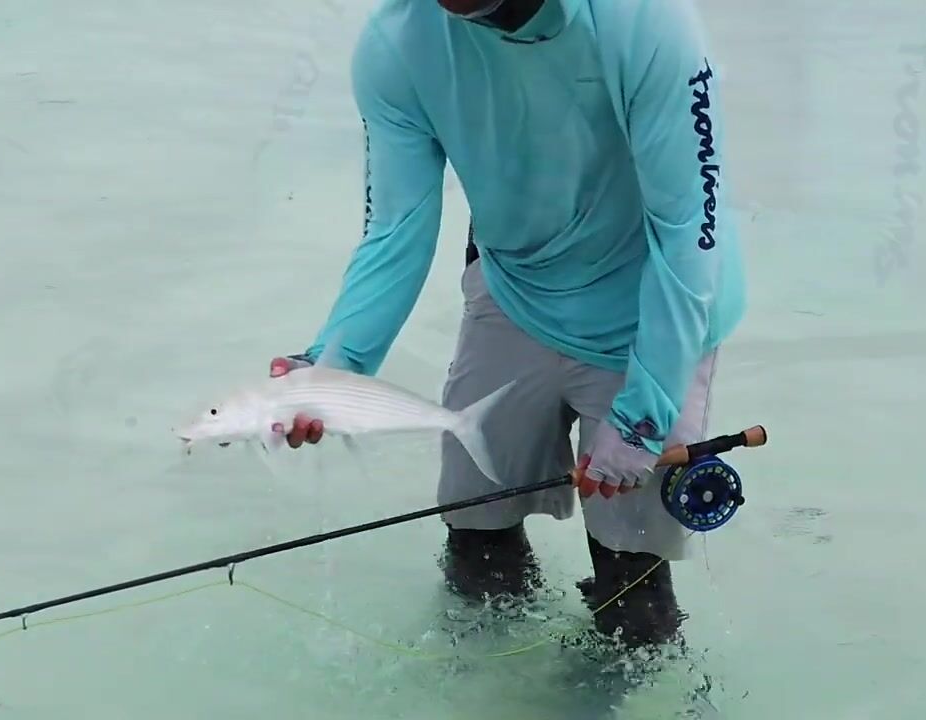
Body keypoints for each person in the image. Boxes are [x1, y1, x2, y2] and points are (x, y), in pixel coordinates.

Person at [269, 0, 746, 652]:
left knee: (633, 591)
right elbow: (395, 231)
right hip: (517, 290)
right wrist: (333, 369)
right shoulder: (395, 42)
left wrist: (646, 410)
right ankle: (493, 685)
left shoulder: (645, 20)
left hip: (655, 315)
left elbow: (689, 230)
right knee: (473, 534)